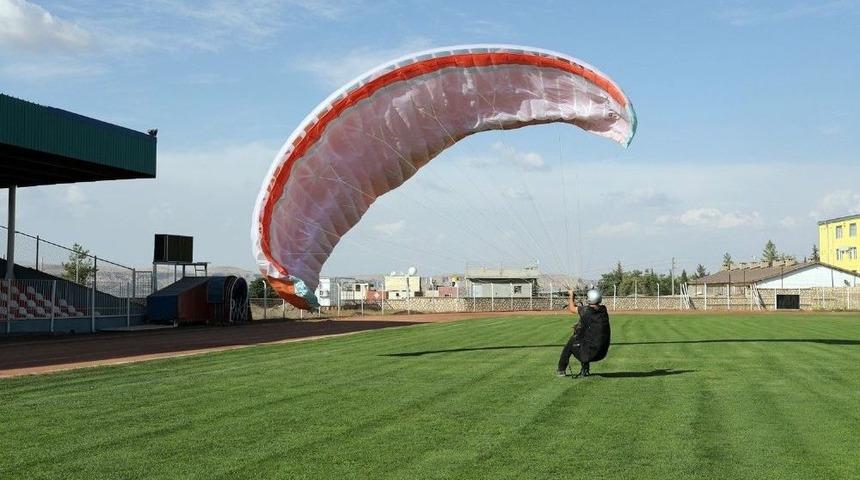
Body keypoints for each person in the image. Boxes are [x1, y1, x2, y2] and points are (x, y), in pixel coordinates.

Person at [556, 287, 611, 378]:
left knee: (572, 342)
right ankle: (584, 370)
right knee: (582, 338)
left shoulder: (585, 310)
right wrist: (579, 326)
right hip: (602, 353)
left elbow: (571, 308)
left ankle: (561, 370)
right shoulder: (603, 310)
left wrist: (571, 296)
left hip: (591, 354)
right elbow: (589, 321)